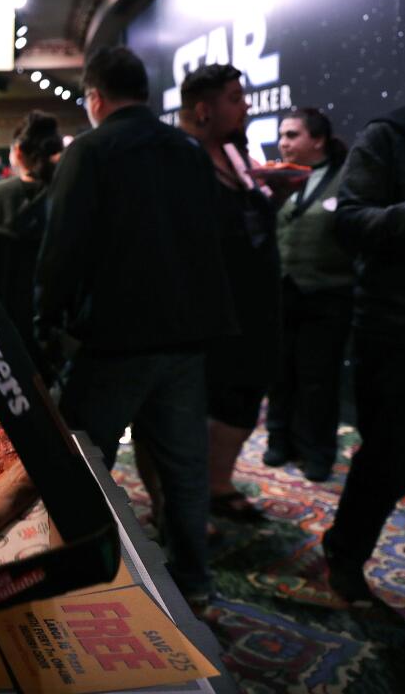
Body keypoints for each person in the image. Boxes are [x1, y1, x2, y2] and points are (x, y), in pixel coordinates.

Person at [35, 46, 235, 607]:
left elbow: (62, 252)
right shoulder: (190, 152)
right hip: (186, 338)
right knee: (185, 471)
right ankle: (195, 585)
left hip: (115, 341)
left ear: (95, 98)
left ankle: (68, 573)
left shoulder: (91, 151)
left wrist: (45, 323)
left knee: (78, 463)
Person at [322, 14, 405, 663]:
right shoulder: (394, 134)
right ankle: (344, 558)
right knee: (388, 462)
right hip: (402, 335)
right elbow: (350, 223)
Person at [179, 64, 281, 523]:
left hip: (252, 305)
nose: (246, 107)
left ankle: (217, 485)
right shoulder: (182, 157)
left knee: (243, 394)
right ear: (204, 108)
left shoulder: (235, 151)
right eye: (236, 99)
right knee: (201, 402)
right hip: (207, 308)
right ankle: (190, 499)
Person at [262, 108, 354, 481]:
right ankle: (279, 440)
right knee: (280, 372)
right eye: (282, 134)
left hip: (327, 295)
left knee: (319, 379)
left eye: (292, 135)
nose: (283, 142)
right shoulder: (273, 178)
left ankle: (317, 451)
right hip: (282, 293)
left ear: (317, 140)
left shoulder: (348, 178)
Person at [0, 110, 61, 373]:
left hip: (8, 324)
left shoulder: (0, 195)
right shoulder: (65, 193)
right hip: (58, 324)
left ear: (18, 152)